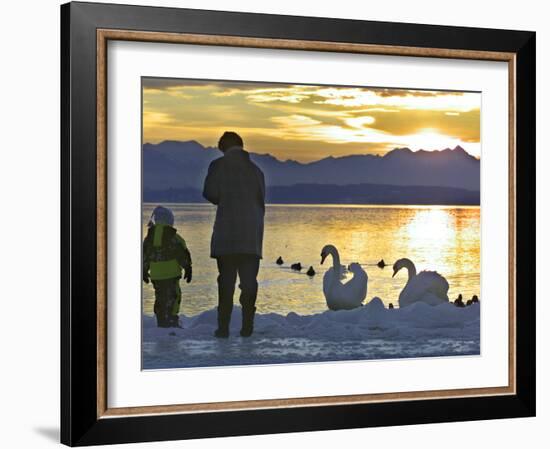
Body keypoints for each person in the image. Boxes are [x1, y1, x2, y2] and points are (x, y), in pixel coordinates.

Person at [203, 132, 266, 338]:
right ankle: (247, 326)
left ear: (223, 147)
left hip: (226, 236)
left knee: (226, 283)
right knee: (249, 283)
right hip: (251, 238)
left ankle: (223, 328)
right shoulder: (257, 171)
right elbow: (260, 203)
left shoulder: (218, 166)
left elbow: (210, 193)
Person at [143, 206, 192, 328]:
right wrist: (188, 268)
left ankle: (161, 320)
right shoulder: (174, 238)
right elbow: (183, 254)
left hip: (156, 275)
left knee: (160, 297)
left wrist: (143, 270)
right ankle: (172, 320)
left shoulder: (148, 239)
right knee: (174, 297)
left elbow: (145, 256)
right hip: (172, 274)